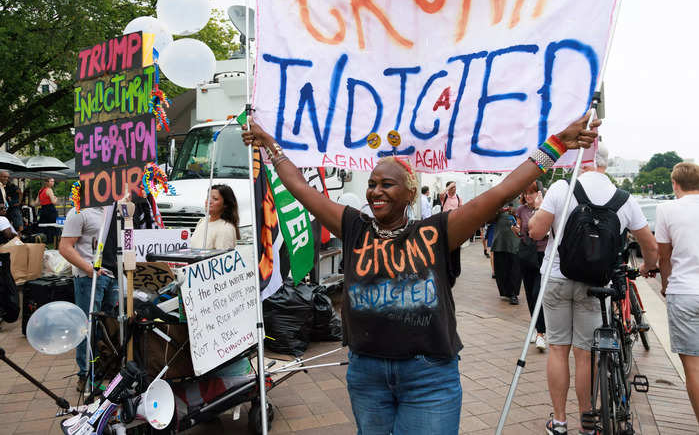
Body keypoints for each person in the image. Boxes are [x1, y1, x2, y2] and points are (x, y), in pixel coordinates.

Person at [242, 112, 599, 434]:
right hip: (366, 373)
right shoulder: (354, 227)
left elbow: (502, 190)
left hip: (428, 376)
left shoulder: (436, 232)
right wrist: (270, 146)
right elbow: (300, 189)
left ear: (410, 193)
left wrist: (556, 145)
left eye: (387, 184)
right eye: (372, 183)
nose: (375, 191)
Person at [529, 143, 658, 435]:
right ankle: (587, 422)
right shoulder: (624, 199)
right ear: (605, 165)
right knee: (585, 354)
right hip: (597, 284)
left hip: (558, 278)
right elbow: (649, 244)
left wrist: (540, 216)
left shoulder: (562, 188)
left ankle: (559, 422)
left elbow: (536, 231)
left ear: (582, 161)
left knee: (559, 349)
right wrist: (649, 267)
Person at [651, 162, 699, 424]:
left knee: (694, 366)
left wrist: (665, 285)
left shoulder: (666, 209)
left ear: (674, 184)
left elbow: (664, 255)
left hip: (684, 292)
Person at [58, 199, 119, 393]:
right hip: (89, 277)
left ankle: (103, 369)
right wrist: (89, 269)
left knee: (107, 326)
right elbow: (65, 247)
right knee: (87, 326)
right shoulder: (79, 211)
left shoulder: (112, 210)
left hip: (112, 275)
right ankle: (86, 374)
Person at [514, 183, 547, 351]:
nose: (528, 196)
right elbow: (522, 230)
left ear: (538, 193)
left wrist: (539, 208)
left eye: (531, 193)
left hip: (543, 254)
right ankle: (536, 327)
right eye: (526, 193)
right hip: (527, 253)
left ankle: (541, 333)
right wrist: (517, 230)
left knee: (538, 292)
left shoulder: (546, 208)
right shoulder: (521, 210)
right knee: (529, 293)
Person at [190, 184, 240, 249]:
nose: (209, 201)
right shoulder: (202, 221)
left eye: (215, 199)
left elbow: (222, 257)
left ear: (225, 204)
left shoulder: (225, 228)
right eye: (208, 197)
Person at [492, 204, 521, 305]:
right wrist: (498, 210)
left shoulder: (520, 200)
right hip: (499, 241)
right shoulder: (499, 200)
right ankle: (506, 291)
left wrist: (514, 211)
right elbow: (489, 219)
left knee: (514, 269)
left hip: (514, 242)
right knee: (501, 269)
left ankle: (513, 294)